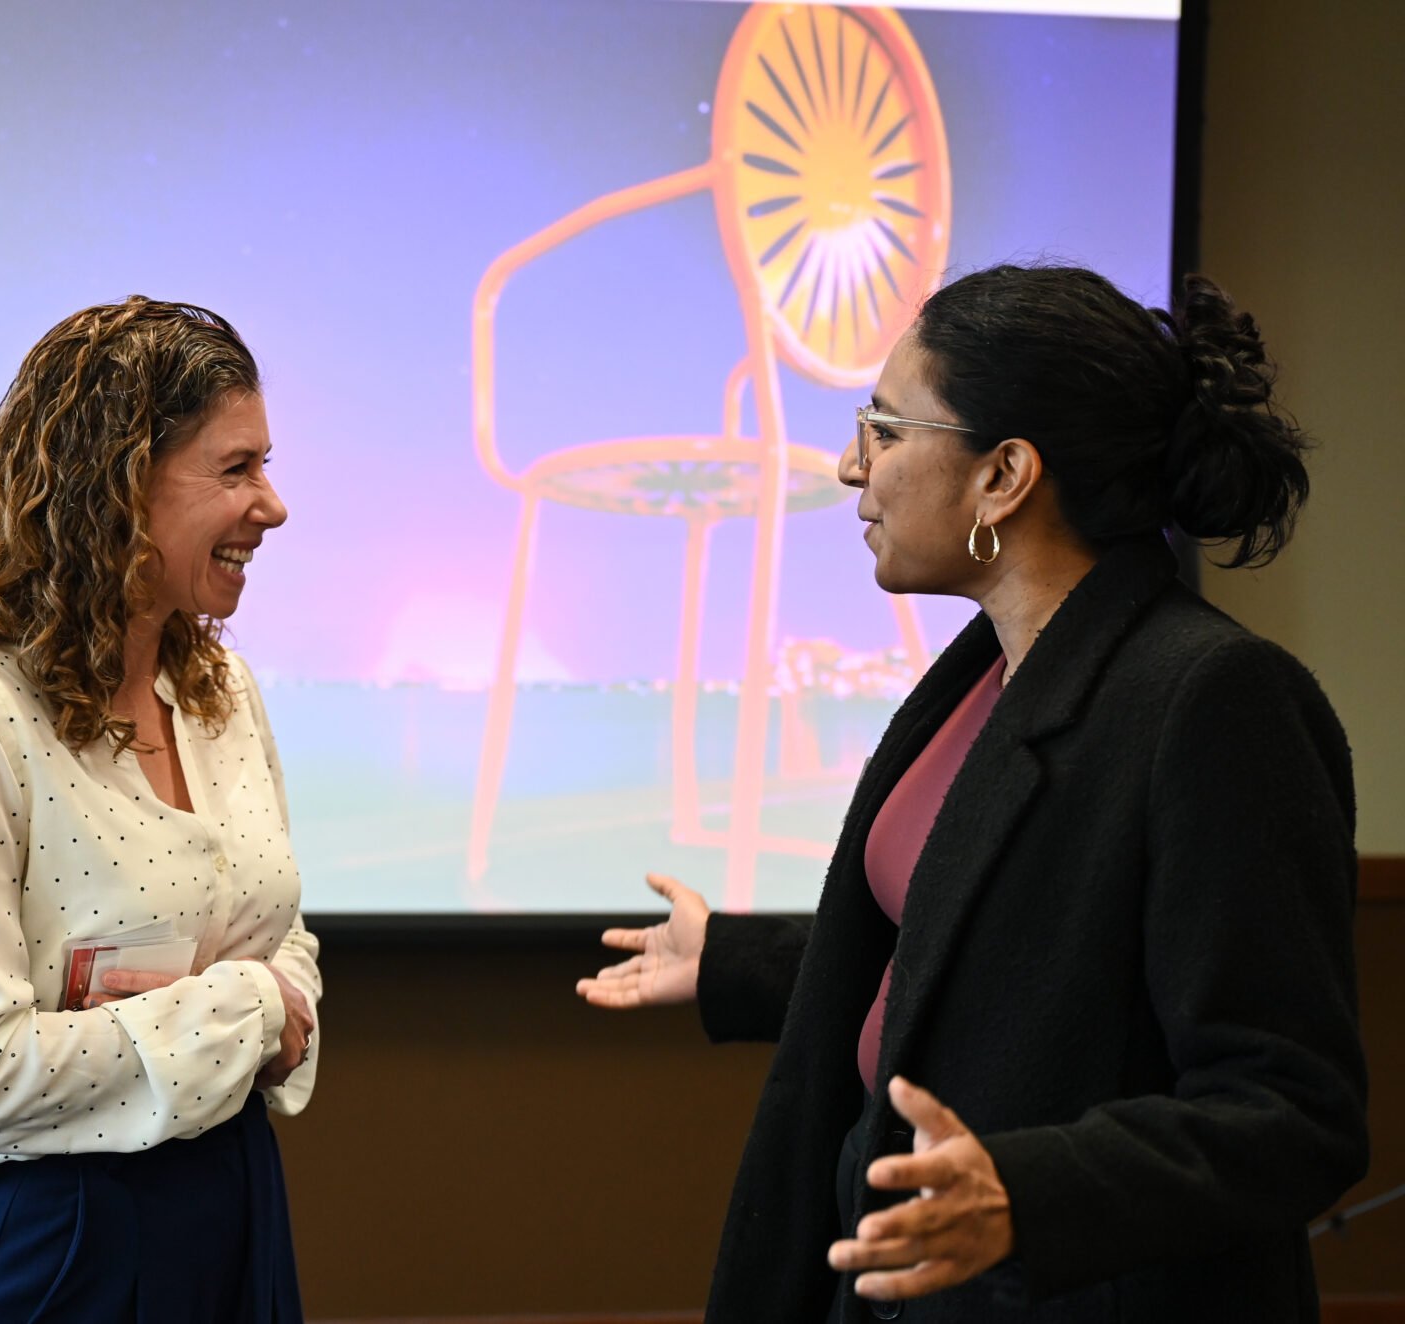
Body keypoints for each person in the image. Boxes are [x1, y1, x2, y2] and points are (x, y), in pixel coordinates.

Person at [578, 265, 1367, 1323]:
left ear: (1003, 475)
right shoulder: (983, 674)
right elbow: (995, 945)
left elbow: (1291, 1109)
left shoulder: (1215, 701)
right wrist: (738, 962)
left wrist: (1028, 1194)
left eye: (885, 428)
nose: (849, 462)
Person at [0, 296, 319, 1323]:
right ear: (119, 480)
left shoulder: (220, 691)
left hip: (235, 1205)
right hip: (46, 1245)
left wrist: (261, 995)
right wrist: (242, 1010)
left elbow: (284, 943)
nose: (274, 504)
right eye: (236, 467)